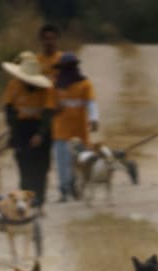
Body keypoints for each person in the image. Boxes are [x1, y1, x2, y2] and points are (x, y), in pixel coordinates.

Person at [2, 51, 55, 207]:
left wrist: (40, 134)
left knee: (41, 168)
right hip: (21, 130)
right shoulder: (13, 86)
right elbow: (9, 110)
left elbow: (48, 113)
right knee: (25, 168)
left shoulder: (46, 89)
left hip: (41, 129)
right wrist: (13, 133)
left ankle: (39, 201)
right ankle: (24, 202)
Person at [50, 52, 97, 202]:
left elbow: (91, 103)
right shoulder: (55, 86)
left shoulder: (84, 84)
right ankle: (63, 190)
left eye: (70, 68)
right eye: (64, 68)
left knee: (79, 162)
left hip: (79, 132)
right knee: (62, 163)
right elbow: (50, 106)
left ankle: (76, 186)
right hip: (60, 131)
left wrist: (94, 118)